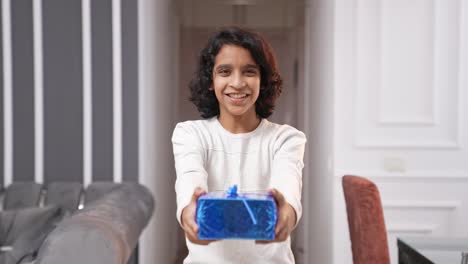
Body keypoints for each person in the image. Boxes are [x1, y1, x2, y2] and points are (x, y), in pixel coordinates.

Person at [172, 26, 307, 263]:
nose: (237, 83)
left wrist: (285, 214)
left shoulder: (286, 139)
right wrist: (189, 214)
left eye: (249, 72)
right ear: (211, 81)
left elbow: (288, 190)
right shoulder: (190, 134)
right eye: (225, 71)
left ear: (262, 80)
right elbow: (189, 179)